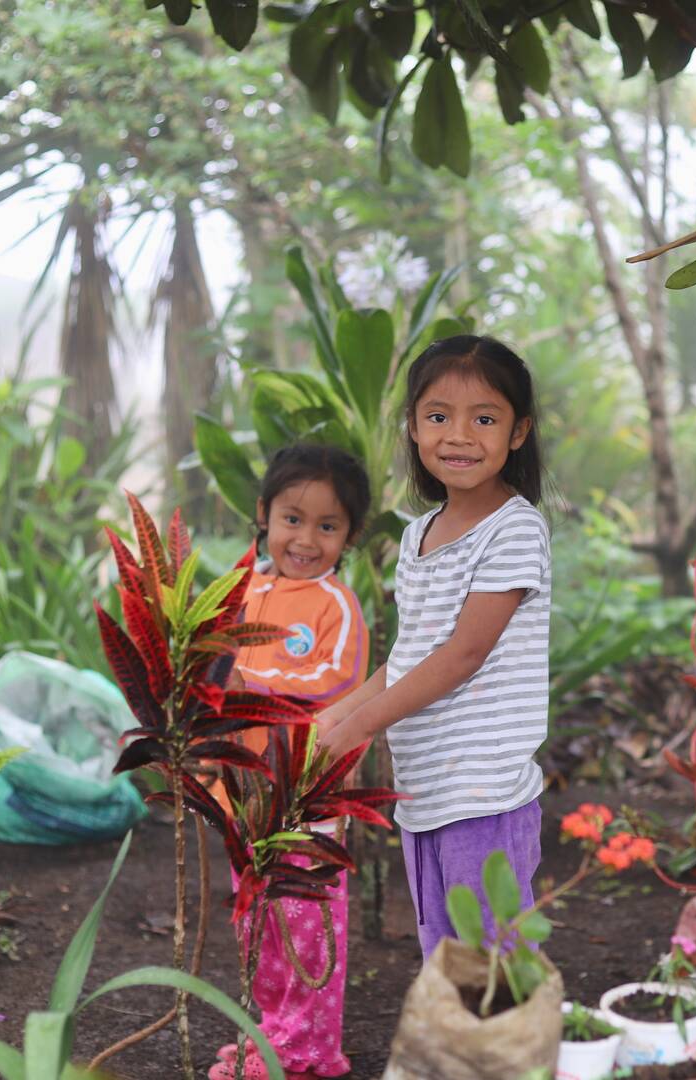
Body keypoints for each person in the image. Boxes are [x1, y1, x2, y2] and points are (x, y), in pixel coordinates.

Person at [316, 335, 550, 960]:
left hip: (484, 792)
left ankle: (519, 1059)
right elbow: (411, 656)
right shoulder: (419, 534)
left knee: (493, 959)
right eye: (438, 416)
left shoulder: (515, 529)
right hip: (426, 792)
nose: (459, 435)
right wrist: (335, 716)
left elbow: (462, 655)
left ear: (518, 432)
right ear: (414, 427)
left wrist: (359, 728)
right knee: (447, 959)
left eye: (485, 418)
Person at [210, 443, 371, 1080]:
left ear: (349, 535)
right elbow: (210, 659)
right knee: (259, 924)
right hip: (243, 793)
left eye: (327, 526)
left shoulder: (337, 605)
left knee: (307, 923)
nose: (306, 539)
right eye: (292, 519)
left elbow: (335, 679)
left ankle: (308, 1053)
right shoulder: (242, 587)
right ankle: (270, 1035)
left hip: (307, 798)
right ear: (264, 514)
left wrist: (244, 674)